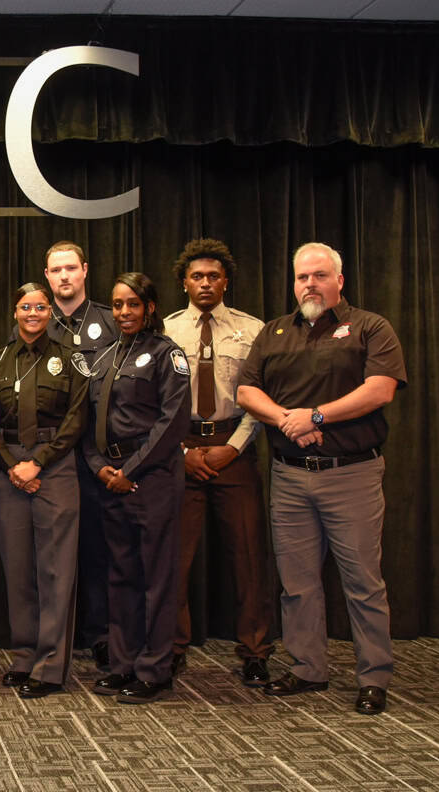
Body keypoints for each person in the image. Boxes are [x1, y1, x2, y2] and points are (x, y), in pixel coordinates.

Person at [237, 242, 405, 715]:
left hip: (351, 475)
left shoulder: (371, 328)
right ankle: (308, 668)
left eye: (319, 275)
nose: (309, 284)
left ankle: (373, 676)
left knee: (363, 582)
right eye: (301, 277)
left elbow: (380, 390)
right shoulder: (274, 331)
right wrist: (289, 419)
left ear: (339, 280)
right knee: (297, 582)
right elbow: (247, 389)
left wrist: (317, 417)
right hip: (289, 478)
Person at [164, 239, 273, 685]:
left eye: (213, 276)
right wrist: (183, 453)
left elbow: (264, 398)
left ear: (225, 281)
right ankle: (171, 648)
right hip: (181, 449)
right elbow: (157, 403)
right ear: (184, 283)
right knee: (174, 557)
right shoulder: (168, 331)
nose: (205, 283)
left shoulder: (255, 329)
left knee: (247, 556)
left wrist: (235, 447)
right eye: (196, 277)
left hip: (235, 448)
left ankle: (255, 650)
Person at [82, 272, 190, 704]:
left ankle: (155, 668)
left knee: (156, 578)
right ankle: (123, 663)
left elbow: (173, 420)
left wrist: (132, 469)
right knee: (120, 576)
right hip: (109, 479)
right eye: (118, 305)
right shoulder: (106, 356)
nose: (124, 313)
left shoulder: (168, 354)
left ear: (149, 307)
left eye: (132, 304)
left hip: (152, 479)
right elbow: (87, 424)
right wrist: (99, 467)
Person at [0, 282, 89, 699]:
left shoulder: (70, 359)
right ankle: (24, 655)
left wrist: (38, 462)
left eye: (40, 306)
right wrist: (13, 466)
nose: (32, 312)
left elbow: (77, 418)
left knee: (56, 571)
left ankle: (50, 666)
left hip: (55, 469)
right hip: (7, 471)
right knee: (17, 570)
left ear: (50, 312)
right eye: (25, 305)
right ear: (15, 312)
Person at [44, 240, 117, 671]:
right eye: (56, 270)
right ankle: (59, 634)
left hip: (99, 454)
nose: (64, 276)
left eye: (71, 268)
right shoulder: (35, 321)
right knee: (54, 550)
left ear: (85, 270)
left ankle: (103, 634)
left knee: (99, 547)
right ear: (47, 276)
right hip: (55, 454)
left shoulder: (110, 321)